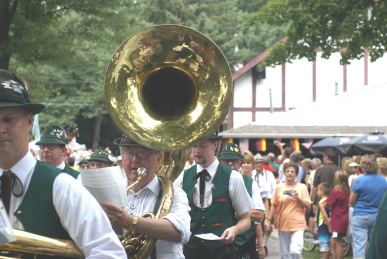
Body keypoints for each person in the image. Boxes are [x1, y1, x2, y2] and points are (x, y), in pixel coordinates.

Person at [0, 69, 126, 257]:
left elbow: (109, 252)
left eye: (8, 119)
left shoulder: (63, 186)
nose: (1, 129)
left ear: (29, 122)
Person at [101, 135, 191, 259]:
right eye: (128, 153)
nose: (134, 160)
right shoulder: (109, 191)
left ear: (158, 159)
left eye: (143, 154)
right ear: (122, 157)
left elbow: (179, 233)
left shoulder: (174, 193)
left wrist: (131, 222)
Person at [174, 132, 253, 259]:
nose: (197, 151)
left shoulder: (233, 177)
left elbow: (246, 219)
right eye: (194, 146)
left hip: (221, 250)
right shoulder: (182, 177)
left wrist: (234, 230)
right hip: (189, 249)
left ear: (215, 145)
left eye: (203, 146)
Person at [218, 144, 265, 259]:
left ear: (240, 163)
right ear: (219, 162)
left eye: (234, 160)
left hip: (245, 243)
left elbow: (259, 215)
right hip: (218, 243)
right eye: (226, 160)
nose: (230, 164)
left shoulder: (250, 183)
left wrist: (235, 212)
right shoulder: (212, 182)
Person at [265, 162, 311, 259]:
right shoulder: (279, 187)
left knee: (295, 251)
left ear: (296, 174)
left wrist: (298, 198)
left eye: (292, 171)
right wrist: (268, 220)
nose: (290, 173)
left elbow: (308, 207)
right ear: (284, 173)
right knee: (285, 254)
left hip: (298, 223)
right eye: (288, 171)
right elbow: (274, 205)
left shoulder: (302, 187)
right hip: (283, 223)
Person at [350, 155, 387, 259]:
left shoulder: (359, 180)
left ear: (362, 166)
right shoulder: (383, 180)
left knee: (359, 246)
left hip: (360, 214)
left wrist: (355, 206)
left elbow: (351, 200)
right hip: (377, 215)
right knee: (375, 244)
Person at [252, 153, 276, 255]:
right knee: (256, 226)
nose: (259, 164)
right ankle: (258, 246)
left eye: (261, 162)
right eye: (257, 162)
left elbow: (273, 189)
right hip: (253, 203)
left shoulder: (269, 174)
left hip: (267, 201)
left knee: (267, 226)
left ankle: (263, 244)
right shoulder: (251, 174)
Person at [324, 170, 350, 259]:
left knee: (338, 242)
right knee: (334, 240)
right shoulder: (348, 190)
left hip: (337, 219)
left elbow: (327, 204)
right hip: (344, 218)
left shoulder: (336, 191)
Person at [317, 183, 331, 259]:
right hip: (331, 223)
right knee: (329, 243)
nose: (317, 192)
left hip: (323, 224)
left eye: (318, 190)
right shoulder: (330, 200)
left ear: (322, 192)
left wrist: (328, 225)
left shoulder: (321, 202)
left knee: (324, 244)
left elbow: (324, 215)